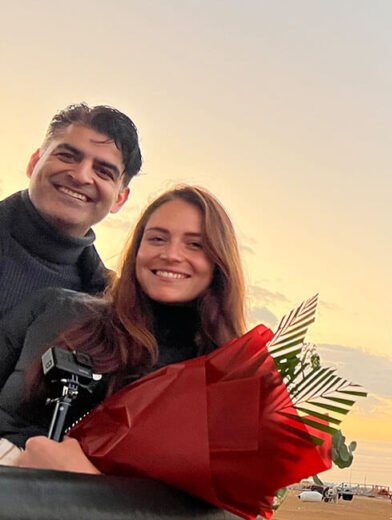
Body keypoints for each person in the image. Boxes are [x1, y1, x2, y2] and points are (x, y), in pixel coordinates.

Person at [0, 185, 244, 469]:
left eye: (195, 244)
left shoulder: (228, 377)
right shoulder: (55, 308)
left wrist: (79, 484)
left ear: (219, 261)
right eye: (157, 238)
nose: (171, 254)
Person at [0, 103, 142, 319]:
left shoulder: (112, 310)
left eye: (103, 172)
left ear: (120, 199)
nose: (81, 176)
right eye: (67, 156)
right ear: (34, 163)